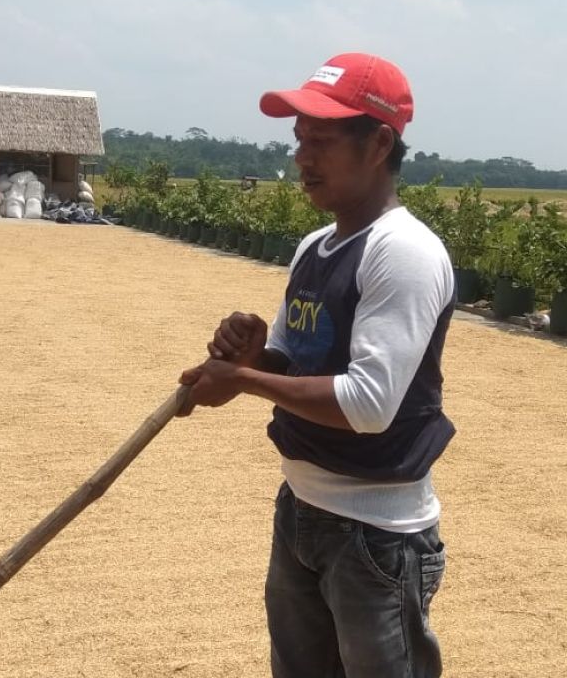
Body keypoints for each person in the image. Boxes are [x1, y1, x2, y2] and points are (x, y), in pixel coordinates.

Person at [179, 53, 456, 677]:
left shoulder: (403, 252)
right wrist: (254, 356)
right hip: (303, 508)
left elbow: (367, 405)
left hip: (377, 535)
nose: (303, 157)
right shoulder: (316, 247)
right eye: (299, 138)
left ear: (380, 142)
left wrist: (246, 380)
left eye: (323, 141)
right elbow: (296, 363)